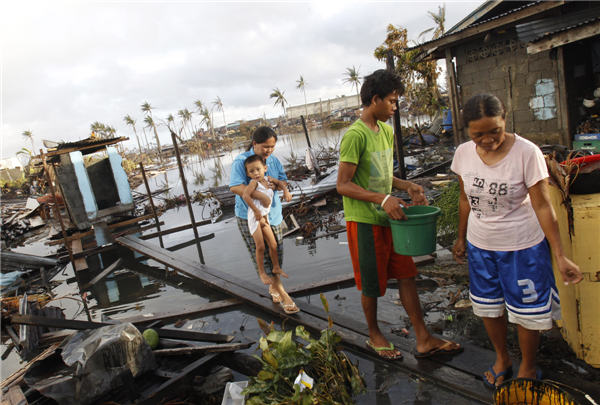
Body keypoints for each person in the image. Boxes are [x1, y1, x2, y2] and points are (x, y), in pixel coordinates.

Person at [451, 94, 583, 387]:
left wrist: (559, 255)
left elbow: (542, 206)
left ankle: (528, 366)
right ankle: (502, 358)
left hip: (522, 247)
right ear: (467, 133)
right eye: (478, 135)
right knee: (488, 306)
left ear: (505, 119)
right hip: (480, 245)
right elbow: (464, 198)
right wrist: (460, 237)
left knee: (528, 311)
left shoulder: (527, 152)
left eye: (494, 131)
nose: (487, 140)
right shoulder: (462, 154)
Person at [337, 69, 462, 360]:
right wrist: (382, 199)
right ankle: (374, 334)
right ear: (376, 99)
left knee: (407, 275)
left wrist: (406, 185)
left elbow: (380, 174)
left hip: (391, 218)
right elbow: (343, 185)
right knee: (372, 283)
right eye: (392, 102)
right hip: (365, 221)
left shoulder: (387, 130)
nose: (395, 107)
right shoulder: (355, 136)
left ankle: (423, 337)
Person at [230, 126, 299, 314]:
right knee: (260, 251)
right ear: (254, 144)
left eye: (272, 147)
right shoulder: (242, 161)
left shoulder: (273, 161)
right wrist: (259, 195)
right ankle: (283, 294)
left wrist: (283, 189)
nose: (268, 151)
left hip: (273, 214)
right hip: (249, 215)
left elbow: (282, 180)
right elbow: (235, 187)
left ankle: (274, 286)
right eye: (265, 147)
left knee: (277, 250)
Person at [242, 154, 290, 285]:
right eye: (251, 171)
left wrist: (286, 191)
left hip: (265, 217)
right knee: (261, 246)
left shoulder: (269, 180)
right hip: (255, 217)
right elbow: (246, 195)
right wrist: (256, 211)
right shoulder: (254, 183)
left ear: (265, 168)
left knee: (273, 245)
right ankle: (262, 272)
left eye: (258, 169)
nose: (256, 173)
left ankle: (276, 267)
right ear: (248, 173)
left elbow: (280, 183)